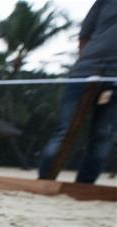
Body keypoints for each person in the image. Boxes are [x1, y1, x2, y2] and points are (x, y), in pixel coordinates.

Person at [38, 0, 116, 184]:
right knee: (67, 130)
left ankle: (85, 185)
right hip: (86, 70)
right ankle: (45, 181)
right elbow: (84, 34)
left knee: (103, 135)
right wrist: (88, 62)